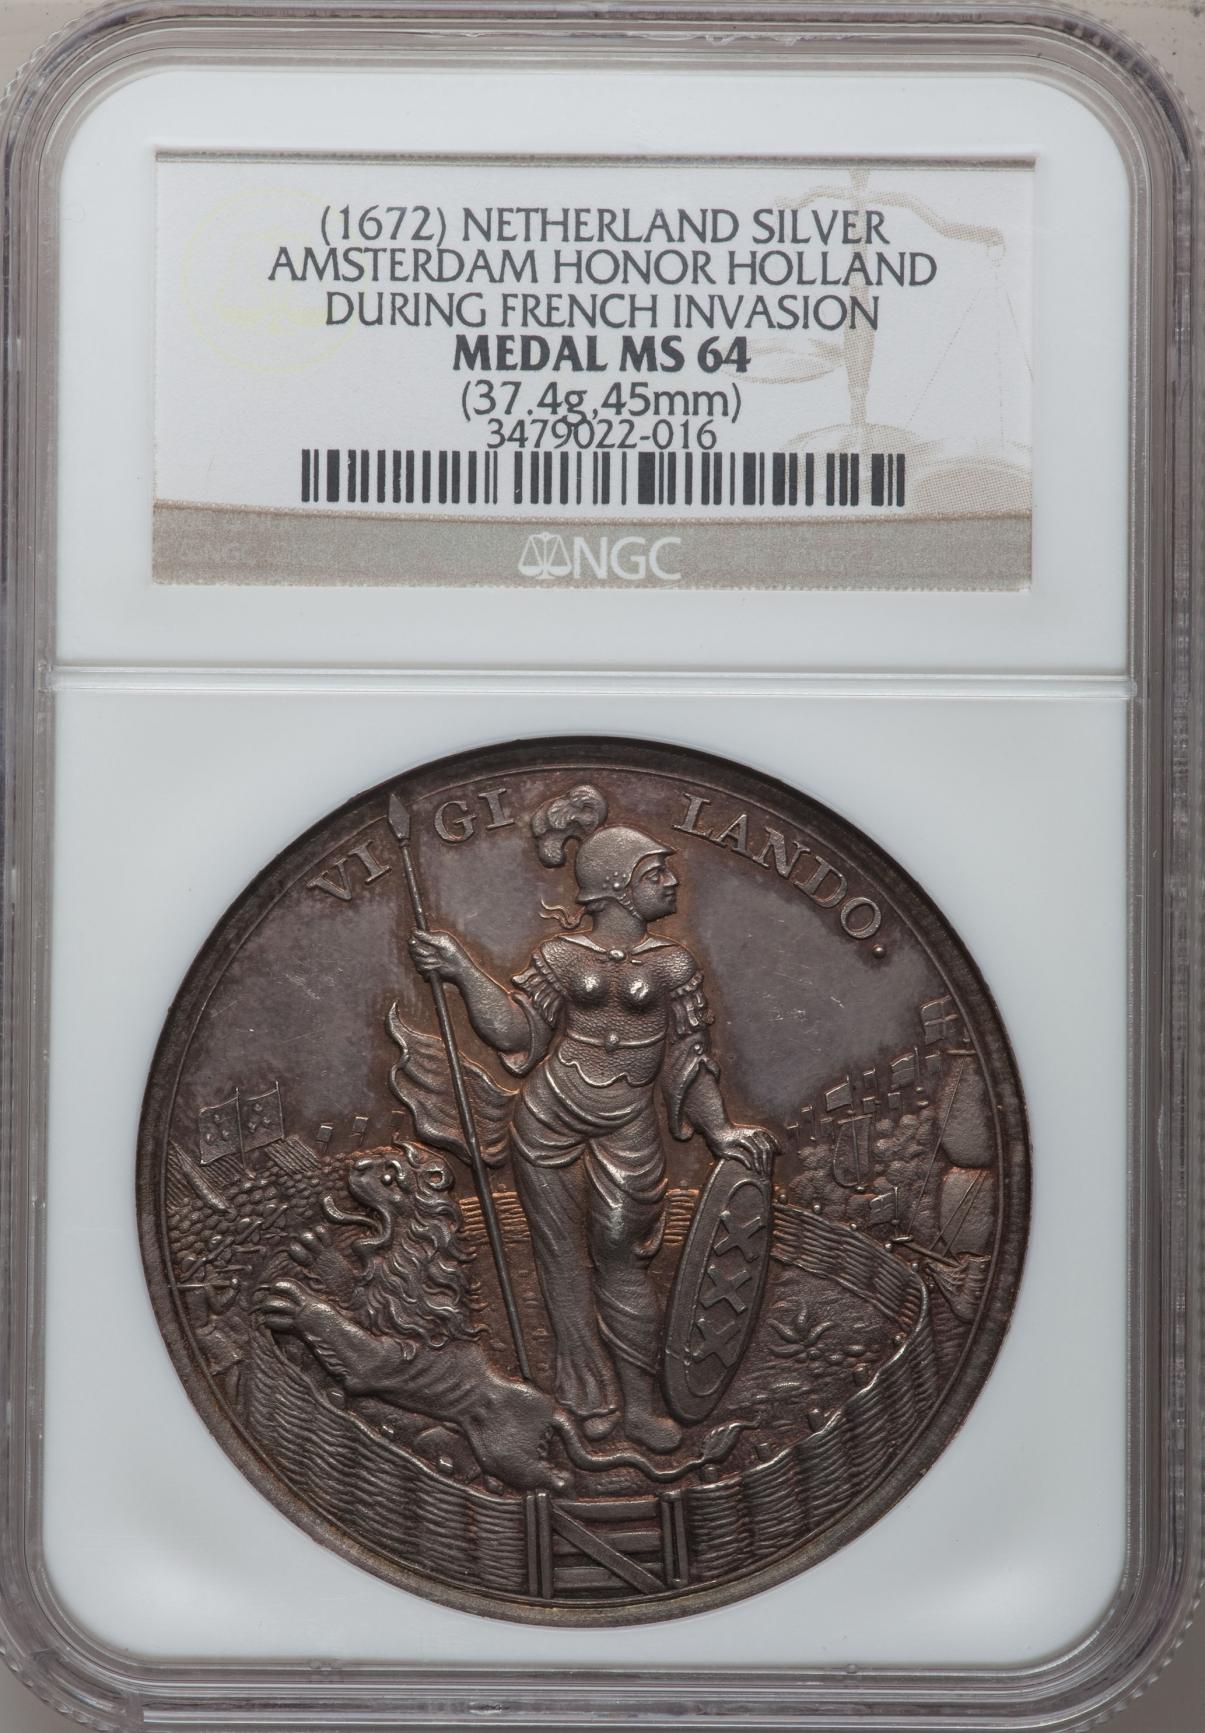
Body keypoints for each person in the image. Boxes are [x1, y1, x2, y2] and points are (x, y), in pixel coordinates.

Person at [409, 785, 776, 1454]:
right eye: (656, 873)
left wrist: (719, 1130)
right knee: (559, 1260)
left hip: (627, 1121)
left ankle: (639, 1405)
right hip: (547, 1116)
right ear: (619, 887)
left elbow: (690, 1059)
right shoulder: (561, 956)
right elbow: (517, 1033)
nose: (671, 882)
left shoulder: (674, 964)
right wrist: (462, 971)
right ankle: (587, 1400)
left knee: (619, 1252)